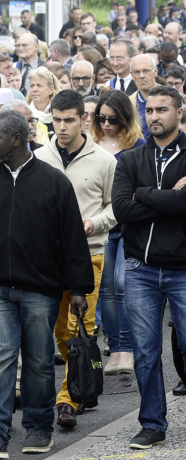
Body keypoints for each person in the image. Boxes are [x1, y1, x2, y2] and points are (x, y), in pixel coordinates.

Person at [0, 111, 94, 460]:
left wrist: (79, 288)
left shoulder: (54, 182)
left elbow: (72, 239)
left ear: (17, 139)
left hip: (40, 290)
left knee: (38, 362)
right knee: (0, 360)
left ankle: (38, 428)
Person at [33, 90, 116, 427]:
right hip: (47, 259)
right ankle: (81, 384)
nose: (62, 126)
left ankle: (67, 399)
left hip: (90, 254)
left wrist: (95, 222)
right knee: (57, 333)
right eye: (57, 120)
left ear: (83, 119)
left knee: (78, 328)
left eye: (69, 120)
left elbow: (116, 205)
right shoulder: (38, 157)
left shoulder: (104, 160)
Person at [112, 85, 186, 450]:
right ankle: (153, 424)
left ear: (179, 111)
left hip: (183, 268)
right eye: (150, 110)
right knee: (145, 351)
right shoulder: (130, 159)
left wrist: (143, 194)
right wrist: (170, 198)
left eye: (162, 109)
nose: (154, 115)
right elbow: (122, 210)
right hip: (139, 267)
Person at [90, 90, 144, 379]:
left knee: (124, 284)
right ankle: (117, 346)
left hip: (131, 224)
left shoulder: (137, 144)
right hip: (103, 225)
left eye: (113, 119)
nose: (107, 124)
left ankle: (130, 348)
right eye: (101, 118)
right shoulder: (92, 144)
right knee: (107, 289)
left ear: (125, 118)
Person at [128, 54, 158, 138]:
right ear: (131, 75)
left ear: (155, 71)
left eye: (146, 71)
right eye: (137, 72)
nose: (141, 76)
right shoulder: (128, 103)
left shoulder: (171, 97)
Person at [27, 67, 60, 135]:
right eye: (32, 86)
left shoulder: (61, 112)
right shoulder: (25, 114)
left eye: (39, 86)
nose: (34, 89)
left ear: (51, 89)